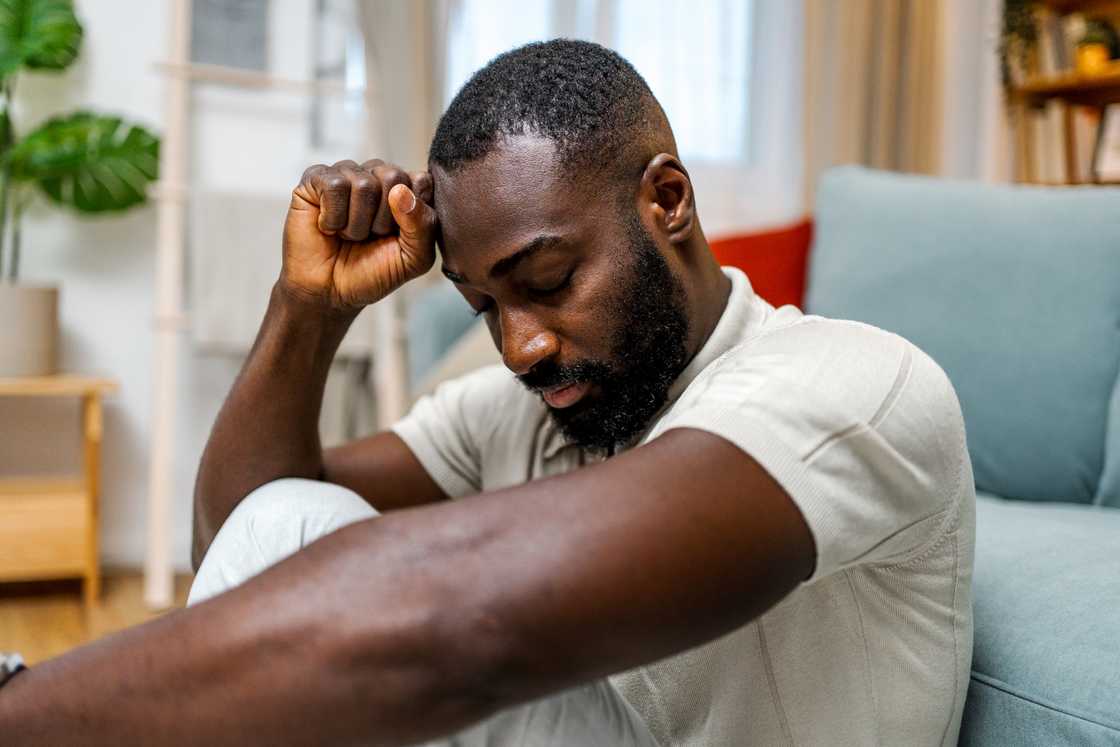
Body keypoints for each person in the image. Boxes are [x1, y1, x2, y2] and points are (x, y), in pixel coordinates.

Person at [0, 40, 974, 746]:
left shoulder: (850, 386)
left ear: (668, 200)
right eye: (483, 306)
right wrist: (309, 306)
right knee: (289, 519)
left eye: (548, 280)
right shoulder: (532, 407)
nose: (520, 347)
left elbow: (463, 625)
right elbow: (238, 544)